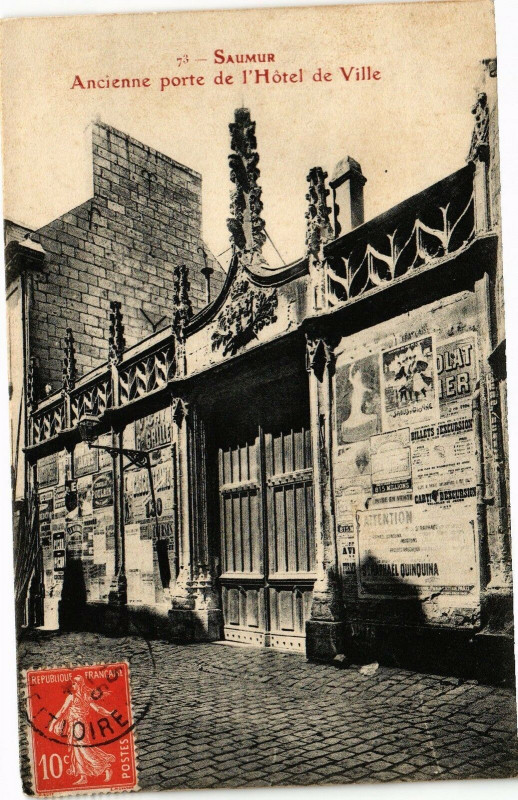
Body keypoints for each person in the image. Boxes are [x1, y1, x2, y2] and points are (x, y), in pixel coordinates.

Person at [48, 674, 116, 785]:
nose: (72, 686)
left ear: (79, 685)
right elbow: (63, 710)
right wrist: (108, 713)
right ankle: (83, 776)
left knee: (84, 749)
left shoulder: (80, 697)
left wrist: (108, 713)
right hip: (74, 724)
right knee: (77, 750)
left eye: (74, 684)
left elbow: (97, 708)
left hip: (79, 725)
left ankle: (105, 767)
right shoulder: (77, 696)